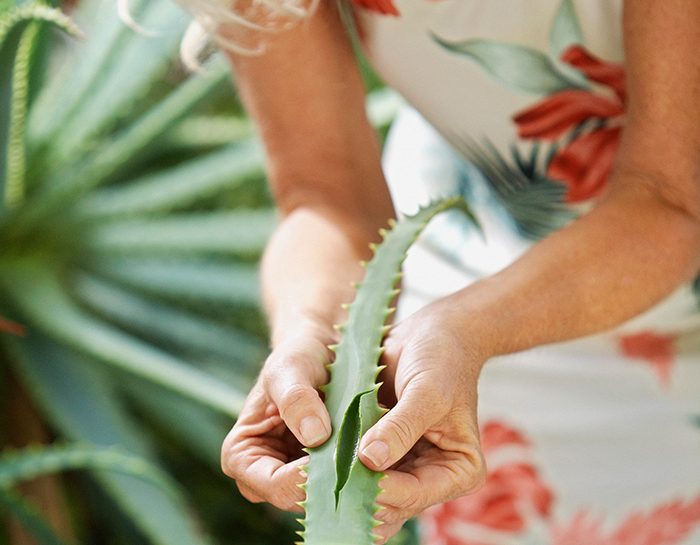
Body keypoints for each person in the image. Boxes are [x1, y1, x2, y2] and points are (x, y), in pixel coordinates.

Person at [212, 1, 700, 543]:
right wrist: (313, 334)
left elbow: (672, 200)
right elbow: (324, 193)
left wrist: (466, 331)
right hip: (477, 312)